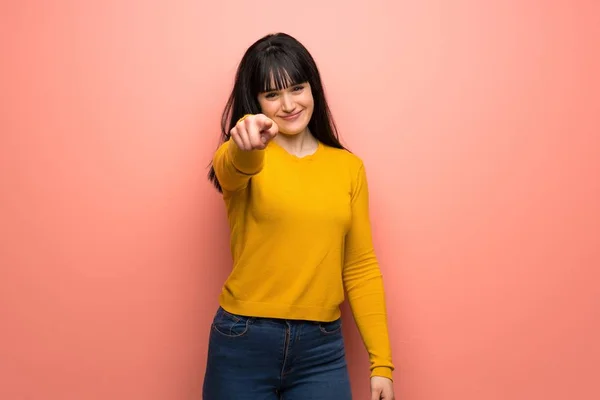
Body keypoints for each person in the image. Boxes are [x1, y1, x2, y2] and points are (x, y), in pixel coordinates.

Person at [202, 32, 395, 400]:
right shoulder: (245, 154)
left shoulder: (348, 168)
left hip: (321, 351)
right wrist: (243, 144)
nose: (288, 104)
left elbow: (360, 267)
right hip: (243, 340)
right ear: (255, 101)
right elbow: (231, 167)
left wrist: (381, 363)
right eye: (271, 95)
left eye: (297, 88)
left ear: (313, 90)